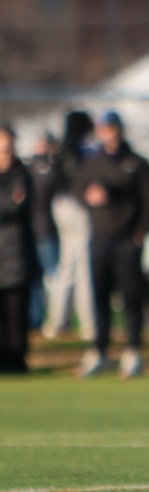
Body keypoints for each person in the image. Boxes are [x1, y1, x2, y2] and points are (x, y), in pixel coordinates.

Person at [72, 110, 149, 378]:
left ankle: (133, 350)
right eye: (104, 129)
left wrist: (140, 233)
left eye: (113, 128)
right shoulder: (93, 163)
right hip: (100, 239)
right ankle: (99, 351)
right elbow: (78, 190)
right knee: (99, 298)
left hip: (126, 242)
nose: (109, 133)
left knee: (130, 298)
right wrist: (89, 197)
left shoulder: (136, 163)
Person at [44, 110, 97, 341]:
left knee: (66, 266)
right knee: (84, 266)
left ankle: (57, 321)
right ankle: (88, 323)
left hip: (60, 205)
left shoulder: (60, 150)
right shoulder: (82, 150)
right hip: (77, 207)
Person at [0, 124, 39, 373]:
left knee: (16, 313)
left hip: (16, 256)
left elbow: (15, 208)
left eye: (8, 147)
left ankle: (16, 361)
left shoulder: (22, 176)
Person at [26, 131, 61, 330]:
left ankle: (50, 319)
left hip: (45, 230)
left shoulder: (48, 167)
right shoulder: (38, 168)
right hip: (40, 231)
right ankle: (39, 320)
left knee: (51, 278)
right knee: (42, 278)